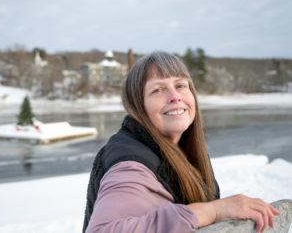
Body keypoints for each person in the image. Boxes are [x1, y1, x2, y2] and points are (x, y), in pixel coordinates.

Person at [83, 51, 280, 233]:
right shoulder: (131, 165)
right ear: (138, 105)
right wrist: (211, 211)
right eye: (158, 90)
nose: (175, 97)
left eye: (180, 86)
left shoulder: (180, 150)